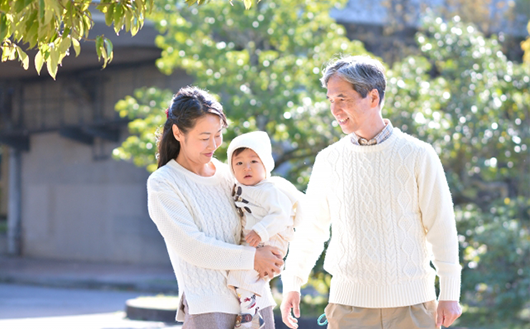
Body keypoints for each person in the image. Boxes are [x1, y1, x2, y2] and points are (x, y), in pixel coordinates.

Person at [280, 55, 463, 329]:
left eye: (343, 98)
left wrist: (450, 292)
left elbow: (441, 226)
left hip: (412, 308)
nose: (335, 109)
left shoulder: (418, 154)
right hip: (348, 309)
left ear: (373, 97)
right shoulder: (329, 159)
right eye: (331, 100)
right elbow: (312, 229)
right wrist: (293, 280)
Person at [147, 86, 284, 329]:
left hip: (253, 305)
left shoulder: (230, 174)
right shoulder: (164, 183)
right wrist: (253, 258)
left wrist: (272, 253)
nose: (214, 144)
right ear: (178, 133)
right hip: (209, 310)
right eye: (204, 137)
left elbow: (261, 214)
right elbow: (192, 247)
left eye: (218, 134)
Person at [225, 131, 300, 328]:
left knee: (247, 276)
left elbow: (281, 214)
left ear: (265, 165)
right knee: (243, 277)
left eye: (253, 161)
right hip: (256, 242)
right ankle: (251, 314)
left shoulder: (269, 189)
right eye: (239, 163)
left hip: (270, 240)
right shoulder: (240, 188)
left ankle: (248, 318)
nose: (246, 167)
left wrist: (260, 230)